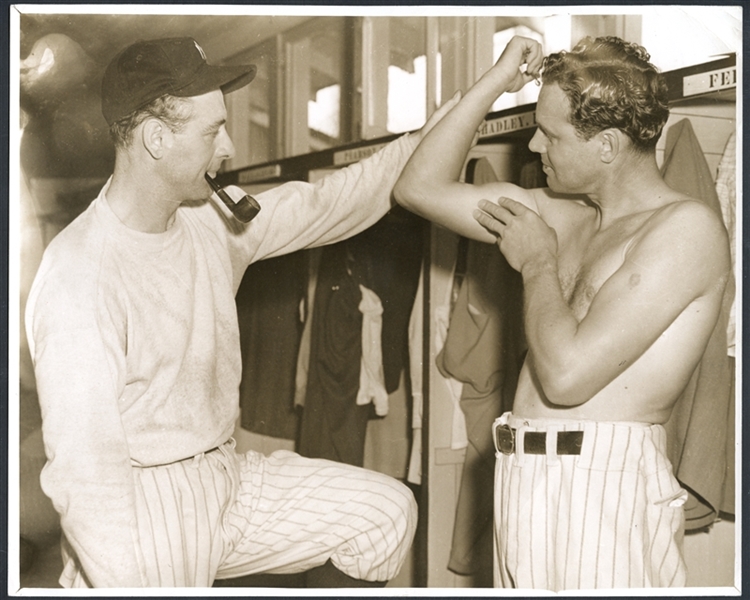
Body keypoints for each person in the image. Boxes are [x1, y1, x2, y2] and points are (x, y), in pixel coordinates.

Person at [24, 36, 455, 589]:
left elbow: (332, 202)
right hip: (144, 505)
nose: (228, 147)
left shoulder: (211, 222)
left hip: (227, 476)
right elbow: (87, 476)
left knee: (384, 514)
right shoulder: (80, 273)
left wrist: (441, 127)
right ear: (156, 138)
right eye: (212, 131)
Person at [394, 35, 730, 590]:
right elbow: (418, 187)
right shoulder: (566, 215)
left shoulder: (683, 230)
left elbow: (567, 376)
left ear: (606, 145)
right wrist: (497, 81)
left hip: (603, 482)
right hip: (524, 471)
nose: (532, 145)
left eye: (549, 133)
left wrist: (538, 264)